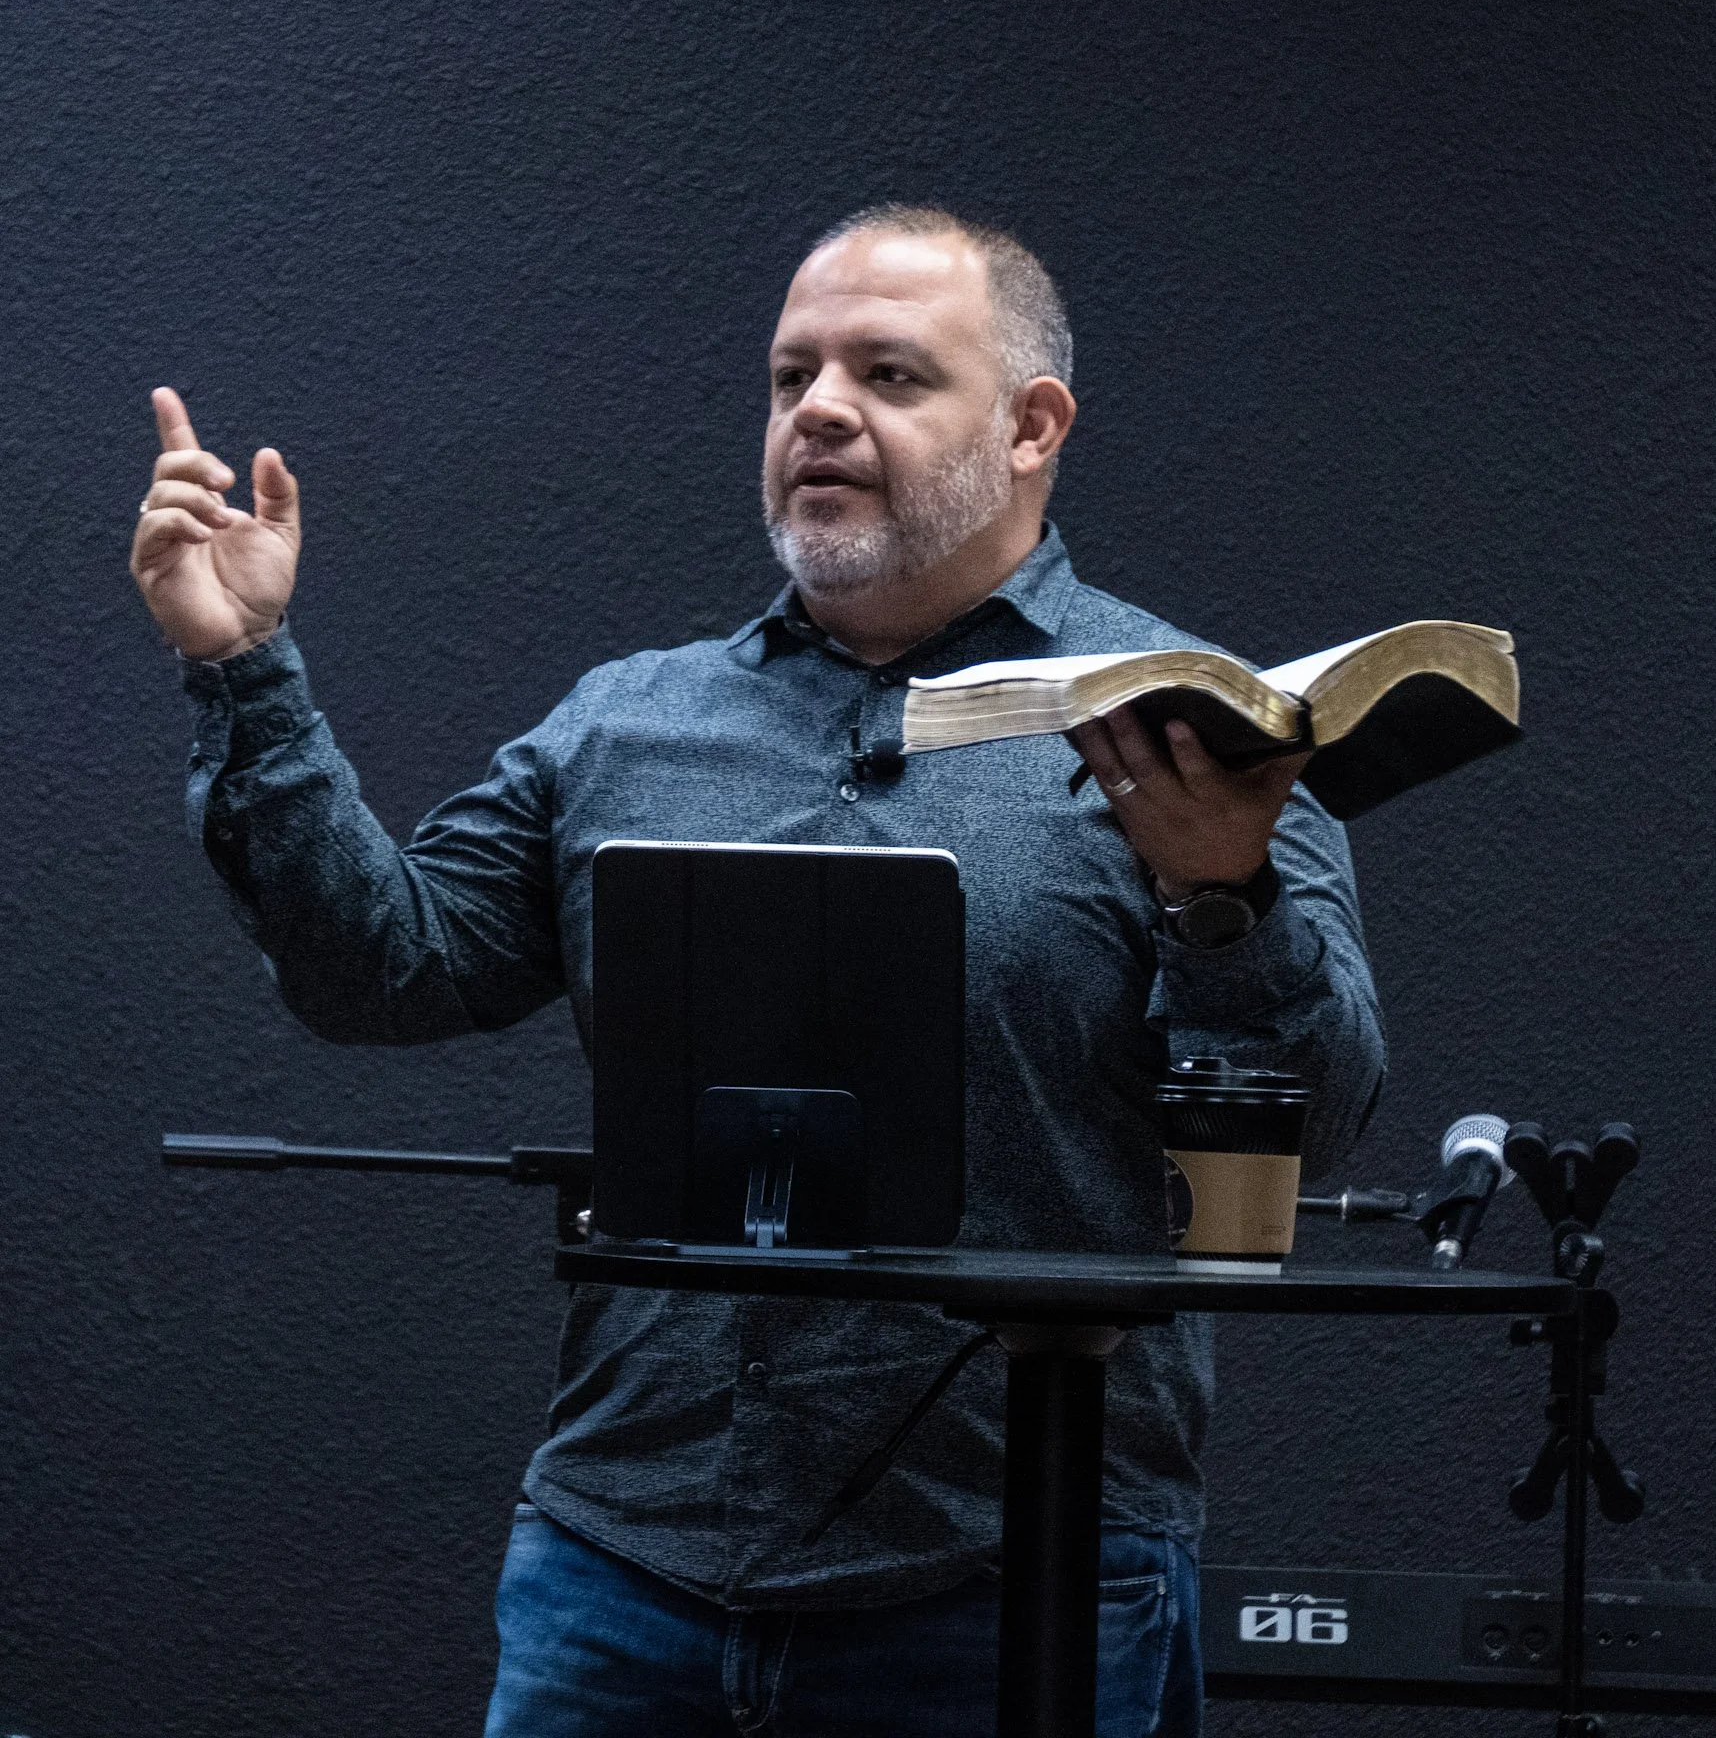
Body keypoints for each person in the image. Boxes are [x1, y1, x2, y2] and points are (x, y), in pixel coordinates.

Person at [130, 205, 1385, 1737]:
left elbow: (1320, 1124)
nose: (821, 412)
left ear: (1032, 426)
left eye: (890, 375)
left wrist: (1221, 897)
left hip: (1019, 1569)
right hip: (622, 1567)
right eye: (794, 377)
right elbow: (381, 976)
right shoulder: (625, 723)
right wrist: (243, 669)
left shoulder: (1192, 728)